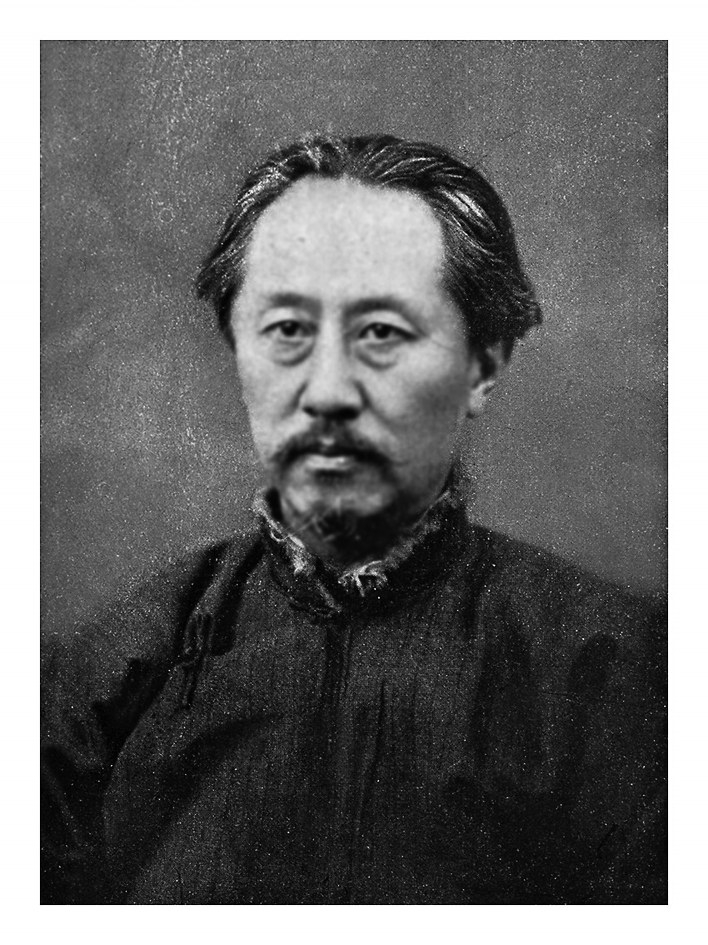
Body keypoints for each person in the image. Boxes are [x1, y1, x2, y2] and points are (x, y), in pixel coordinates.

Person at [41, 134, 666, 905]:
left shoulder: (618, 675)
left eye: (382, 332)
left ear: (485, 363)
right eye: (287, 330)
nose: (329, 391)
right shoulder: (115, 671)